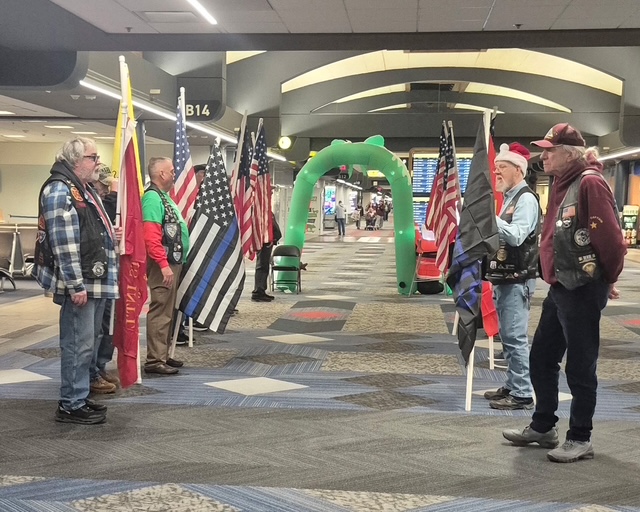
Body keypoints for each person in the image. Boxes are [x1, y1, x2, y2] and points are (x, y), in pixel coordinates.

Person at [503, 123, 626, 463]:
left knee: (580, 366)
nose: (543, 157)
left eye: (549, 151)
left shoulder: (589, 183)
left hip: (582, 289)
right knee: (542, 358)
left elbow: (612, 241)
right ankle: (543, 426)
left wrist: (609, 279)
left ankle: (580, 437)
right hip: (560, 286)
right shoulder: (562, 182)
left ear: (569, 154)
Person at [32, 137, 119, 425]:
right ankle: (70, 404)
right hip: (82, 284)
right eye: (93, 157)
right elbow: (63, 244)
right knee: (77, 345)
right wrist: (75, 285)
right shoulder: (60, 190)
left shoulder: (82, 189)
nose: (98, 163)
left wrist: (112, 236)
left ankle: (79, 396)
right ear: (75, 160)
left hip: (94, 280)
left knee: (87, 344)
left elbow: (88, 231)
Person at [484, 143, 541, 410]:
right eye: (496, 167)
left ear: (518, 169)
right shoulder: (510, 198)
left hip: (518, 278)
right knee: (507, 336)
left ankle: (522, 394)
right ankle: (512, 384)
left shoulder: (526, 199)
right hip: (507, 276)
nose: (496, 171)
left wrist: (490, 218)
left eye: (502, 167)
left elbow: (517, 236)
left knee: (515, 337)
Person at [142, 157, 189, 375]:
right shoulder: (152, 198)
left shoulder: (163, 197)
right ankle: (154, 360)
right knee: (160, 309)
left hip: (172, 262)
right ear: (161, 174)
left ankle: (162, 354)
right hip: (163, 264)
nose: (174, 174)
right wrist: (163, 264)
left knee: (168, 310)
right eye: (171, 171)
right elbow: (151, 237)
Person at [88, 165, 120, 393]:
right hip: (93, 275)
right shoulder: (91, 201)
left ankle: (100, 366)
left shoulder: (101, 201)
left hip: (108, 274)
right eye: (104, 185)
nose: (107, 190)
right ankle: (91, 373)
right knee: (93, 330)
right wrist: (115, 194)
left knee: (108, 325)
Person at [252, 214, 282, 302]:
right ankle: (258, 292)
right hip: (264, 241)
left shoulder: (267, 212)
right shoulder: (261, 212)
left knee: (264, 266)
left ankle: (261, 290)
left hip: (269, 241)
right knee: (262, 265)